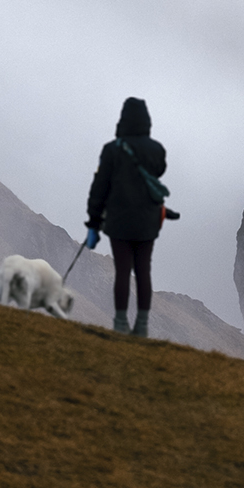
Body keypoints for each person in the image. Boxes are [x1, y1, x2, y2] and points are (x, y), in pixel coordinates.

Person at [85, 97, 172, 337]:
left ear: (123, 119)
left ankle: (120, 322)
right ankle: (142, 325)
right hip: (148, 221)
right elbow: (159, 170)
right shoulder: (157, 150)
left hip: (119, 220)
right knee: (144, 270)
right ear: (146, 120)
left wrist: (94, 221)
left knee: (122, 270)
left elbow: (99, 187)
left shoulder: (112, 150)